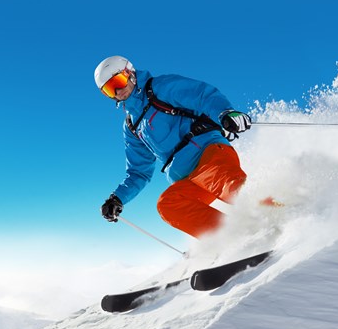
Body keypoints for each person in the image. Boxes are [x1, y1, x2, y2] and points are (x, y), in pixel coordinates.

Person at [95, 56, 252, 238]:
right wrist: (117, 198)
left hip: (209, 155)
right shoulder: (131, 126)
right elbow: (139, 172)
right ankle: (233, 238)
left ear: (129, 73)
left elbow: (201, 95)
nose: (117, 91)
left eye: (118, 82)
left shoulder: (159, 88)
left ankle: (273, 211)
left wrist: (225, 113)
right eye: (109, 90)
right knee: (169, 204)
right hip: (188, 179)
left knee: (230, 187)